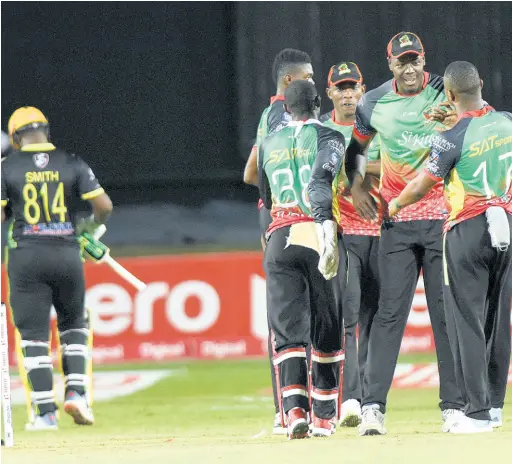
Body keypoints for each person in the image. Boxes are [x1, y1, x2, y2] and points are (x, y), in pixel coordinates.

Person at [344, 32, 464, 436]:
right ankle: (372, 407)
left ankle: (453, 407)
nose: (410, 69)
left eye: (415, 61)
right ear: (390, 65)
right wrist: (357, 186)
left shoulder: (442, 90)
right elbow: (355, 150)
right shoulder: (373, 102)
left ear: (423, 60)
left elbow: (476, 123)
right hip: (395, 224)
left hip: (441, 221)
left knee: (444, 316)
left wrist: (457, 120)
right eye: (402, 63)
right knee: (388, 316)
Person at [389, 61, 512, 434]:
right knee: (498, 319)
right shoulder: (507, 120)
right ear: (482, 84)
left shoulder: (452, 136)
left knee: (467, 322)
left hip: (467, 229)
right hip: (505, 221)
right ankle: (493, 408)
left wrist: (391, 207)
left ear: (451, 95)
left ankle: (474, 414)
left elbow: (421, 186)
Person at [1, 106, 113, 430]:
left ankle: (45, 413)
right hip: (67, 253)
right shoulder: (72, 161)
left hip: (26, 257)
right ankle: (78, 394)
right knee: (74, 327)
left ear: (16, 138)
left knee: (33, 337)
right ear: (46, 132)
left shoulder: (6, 168)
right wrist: (86, 229)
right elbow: (103, 207)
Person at [258, 80, 346, 439]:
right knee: (326, 323)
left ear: (286, 108)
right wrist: (326, 224)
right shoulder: (330, 137)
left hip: (278, 237)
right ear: (317, 103)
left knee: (287, 330)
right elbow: (321, 181)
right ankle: (324, 415)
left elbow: (265, 194)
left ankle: (293, 411)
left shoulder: (266, 144)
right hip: (314, 230)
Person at [243, 48, 314, 435]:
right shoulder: (281, 116)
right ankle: (288, 406)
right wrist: (279, 207)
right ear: (290, 81)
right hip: (287, 216)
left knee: (287, 314)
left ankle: (289, 405)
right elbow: (258, 171)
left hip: (276, 216)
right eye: (309, 76)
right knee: (292, 316)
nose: (314, 83)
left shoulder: (269, 116)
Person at [322, 62, 383, 427]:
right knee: (347, 314)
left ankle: (370, 397)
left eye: (352, 87)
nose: (347, 94)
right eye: (340, 88)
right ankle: (350, 398)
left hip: (382, 231)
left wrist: (358, 170)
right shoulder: (323, 130)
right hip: (344, 232)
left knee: (376, 317)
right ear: (329, 93)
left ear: (362, 90)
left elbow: (399, 165)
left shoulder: (377, 125)